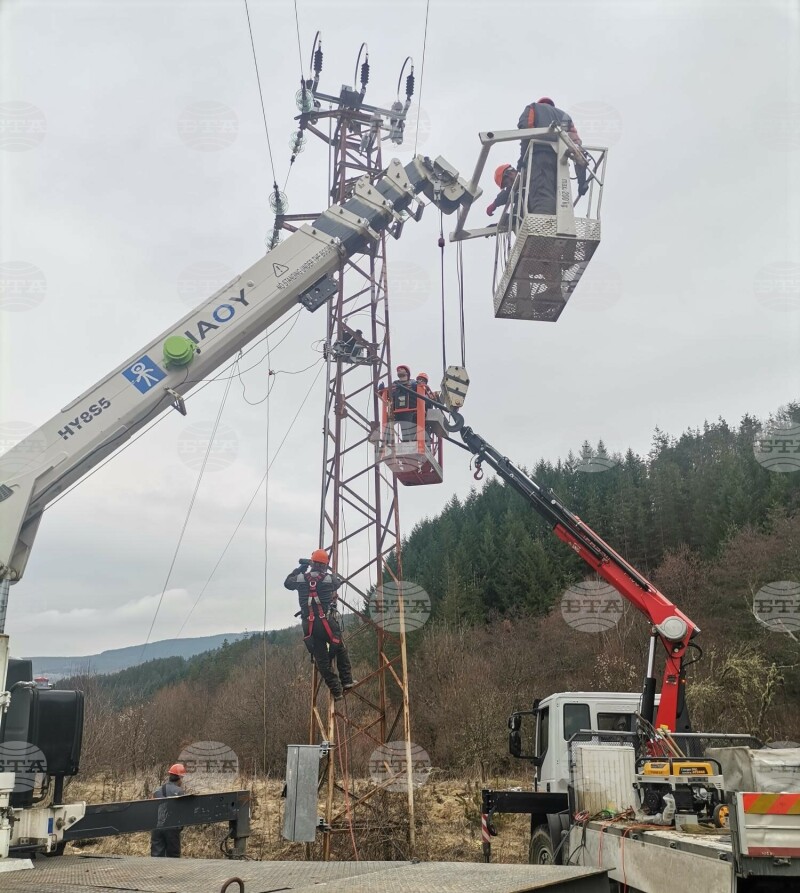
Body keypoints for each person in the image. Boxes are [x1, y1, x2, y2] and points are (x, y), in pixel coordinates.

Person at [284, 549, 355, 701]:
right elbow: (337, 582)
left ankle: (336, 690)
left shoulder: (300, 578)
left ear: (312, 563)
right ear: (325, 565)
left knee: (321, 660)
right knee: (340, 648)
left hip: (309, 626)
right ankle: (347, 681)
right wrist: (327, 571)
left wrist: (301, 568)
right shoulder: (328, 579)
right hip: (327, 623)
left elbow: (287, 583)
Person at [516, 97, 586, 214]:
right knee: (560, 195)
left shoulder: (533, 107)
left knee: (542, 193)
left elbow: (526, 130)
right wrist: (582, 181)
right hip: (561, 161)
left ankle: (544, 222)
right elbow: (577, 147)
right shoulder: (565, 116)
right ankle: (559, 219)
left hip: (540, 156)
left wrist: (522, 159)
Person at [150, 763, 186, 857]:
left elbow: (151, 808)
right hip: (172, 828)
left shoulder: (157, 790)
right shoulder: (179, 791)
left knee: (156, 857)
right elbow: (182, 811)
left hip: (157, 827)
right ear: (180, 777)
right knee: (173, 857)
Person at [378, 364, 417, 442]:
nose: (399, 370)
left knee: (406, 427)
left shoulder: (413, 382)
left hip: (408, 409)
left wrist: (415, 387)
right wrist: (382, 391)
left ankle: (407, 442)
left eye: (402, 369)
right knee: (388, 425)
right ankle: (387, 442)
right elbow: (387, 396)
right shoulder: (394, 384)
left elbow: (421, 394)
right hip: (396, 410)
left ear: (407, 372)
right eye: (398, 370)